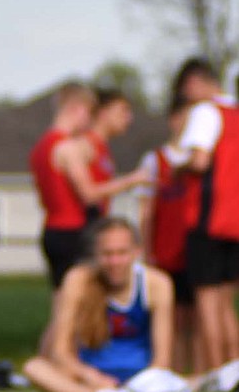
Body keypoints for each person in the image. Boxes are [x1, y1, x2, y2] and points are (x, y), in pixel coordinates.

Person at [29, 82, 149, 354]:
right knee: (70, 309)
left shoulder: (41, 147)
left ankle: (47, 362)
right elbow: (89, 193)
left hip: (54, 229)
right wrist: (132, 180)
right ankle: (53, 363)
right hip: (72, 232)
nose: (89, 120)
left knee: (62, 306)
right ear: (76, 108)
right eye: (88, 112)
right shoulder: (67, 147)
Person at [23, 217, 174, 392]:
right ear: (95, 254)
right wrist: (91, 376)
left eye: (122, 253)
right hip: (90, 376)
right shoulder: (79, 279)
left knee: (173, 380)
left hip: (141, 378)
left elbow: (162, 360)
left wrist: (147, 382)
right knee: (34, 368)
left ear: (137, 252)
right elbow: (60, 351)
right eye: (107, 254)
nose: (115, 261)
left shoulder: (157, 283)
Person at [172, 57, 239, 370]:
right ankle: (234, 370)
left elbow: (199, 161)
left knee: (207, 306)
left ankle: (216, 376)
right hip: (235, 224)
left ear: (194, 83)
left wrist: (178, 166)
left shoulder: (204, 112)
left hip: (208, 221)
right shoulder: (235, 113)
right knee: (227, 307)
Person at [136, 98, 201, 373]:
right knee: (170, 318)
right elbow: (146, 211)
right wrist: (145, 250)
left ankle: (202, 374)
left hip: (196, 251)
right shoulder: (155, 161)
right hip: (165, 251)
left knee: (197, 319)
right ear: (173, 119)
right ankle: (170, 372)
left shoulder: (201, 162)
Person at [82, 89, 136, 224]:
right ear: (103, 113)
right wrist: (131, 180)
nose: (129, 118)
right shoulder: (85, 145)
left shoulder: (103, 148)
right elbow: (88, 194)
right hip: (84, 227)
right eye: (123, 111)